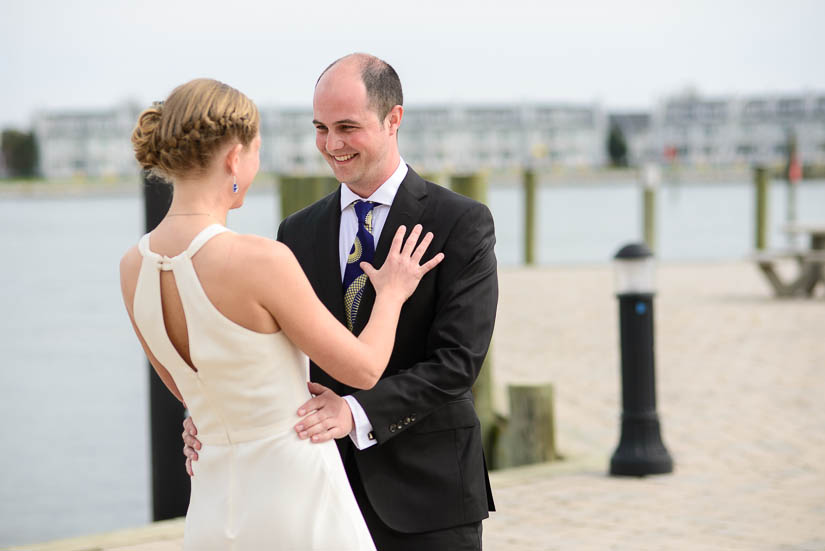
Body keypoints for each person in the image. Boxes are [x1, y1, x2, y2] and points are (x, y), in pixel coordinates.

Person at [184, 53, 498, 550]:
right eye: (321, 127)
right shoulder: (297, 230)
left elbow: (458, 363)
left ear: (394, 119)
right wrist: (208, 414)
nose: (331, 145)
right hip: (318, 489)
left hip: (430, 494)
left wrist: (355, 412)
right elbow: (269, 349)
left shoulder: (460, 221)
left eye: (347, 127)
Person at [120, 78, 443, 550]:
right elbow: (364, 368)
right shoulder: (258, 260)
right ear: (234, 156)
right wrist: (391, 293)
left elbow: (187, 389)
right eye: (256, 151)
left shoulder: (133, 266)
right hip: (295, 496)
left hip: (212, 502)